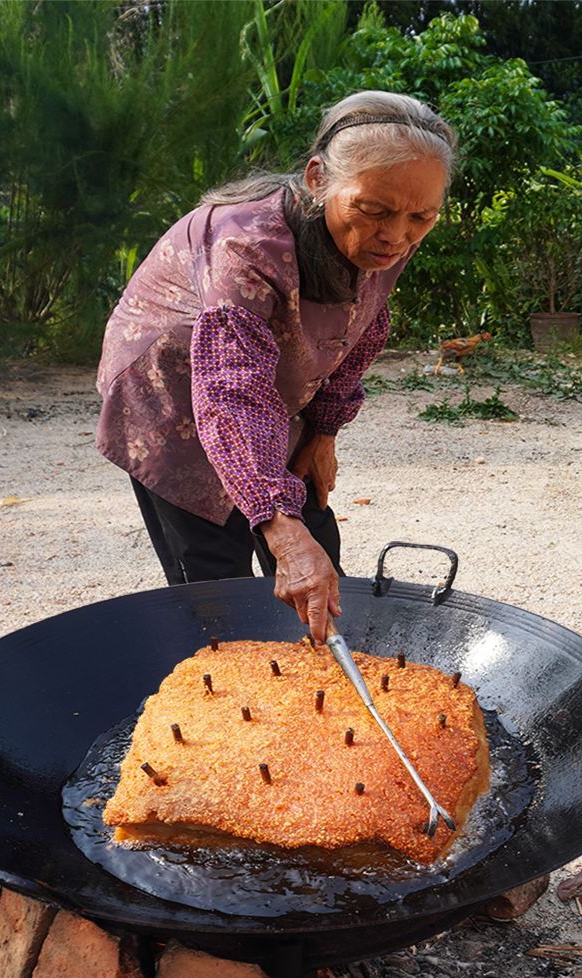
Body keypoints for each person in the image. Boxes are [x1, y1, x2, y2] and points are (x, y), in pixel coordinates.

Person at [96, 91, 455, 640]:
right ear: (318, 179)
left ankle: (317, 691)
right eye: (374, 211)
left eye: (421, 217)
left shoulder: (393, 228)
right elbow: (232, 391)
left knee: (315, 539)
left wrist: (324, 431)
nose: (397, 236)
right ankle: (229, 698)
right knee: (218, 575)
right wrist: (279, 530)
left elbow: (365, 323)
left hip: (260, 379)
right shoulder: (245, 244)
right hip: (170, 387)